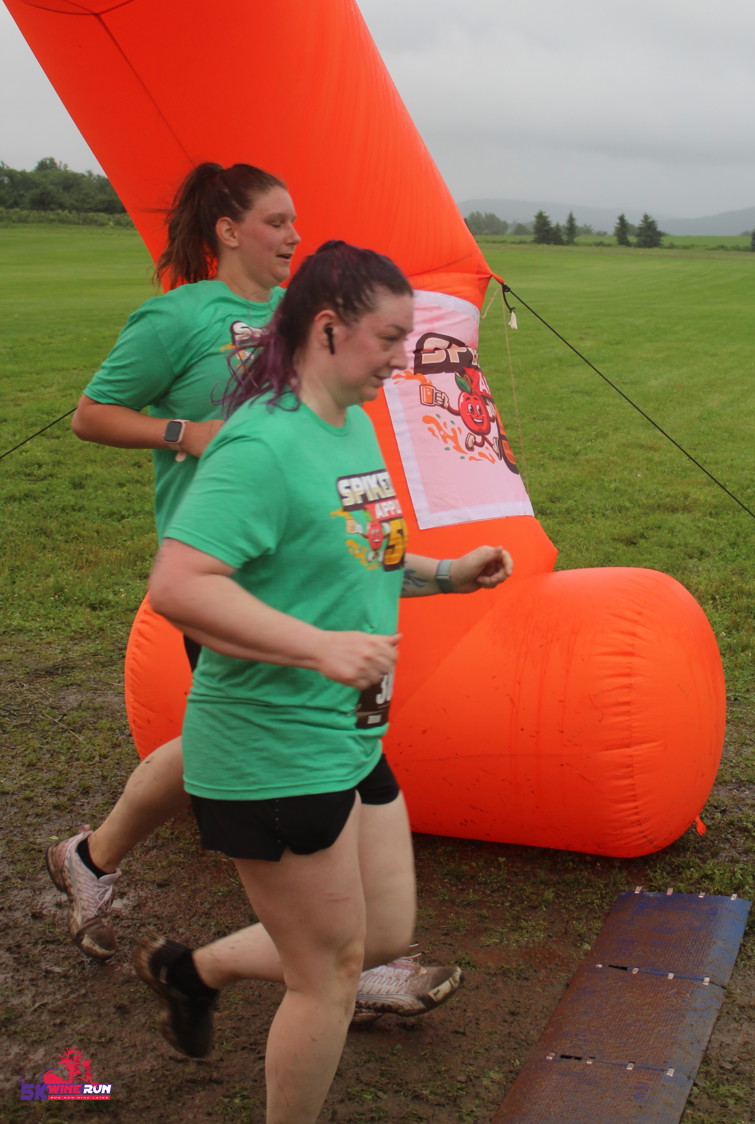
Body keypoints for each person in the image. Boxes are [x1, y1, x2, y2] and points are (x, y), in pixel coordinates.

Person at [46, 163, 460, 1020]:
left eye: (296, 223)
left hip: (313, 555)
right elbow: (92, 414)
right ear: (228, 231)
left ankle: (96, 859)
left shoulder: (302, 316)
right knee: (284, 736)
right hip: (228, 572)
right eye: (276, 221)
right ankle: (341, 957)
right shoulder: (176, 318)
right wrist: (186, 432)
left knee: (250, 736)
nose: (292, 236)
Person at [135, 241, 513, 1123]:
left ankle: (194, 972)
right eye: (389, 337)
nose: (400, 358)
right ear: (329, 328)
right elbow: (179, 586)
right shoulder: (260, 444)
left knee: (384, 932)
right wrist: (318, 648)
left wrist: (445, 573)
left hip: (348, 732)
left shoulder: (350, 423)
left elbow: (355, 552)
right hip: (272, 745)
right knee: (330, 974)